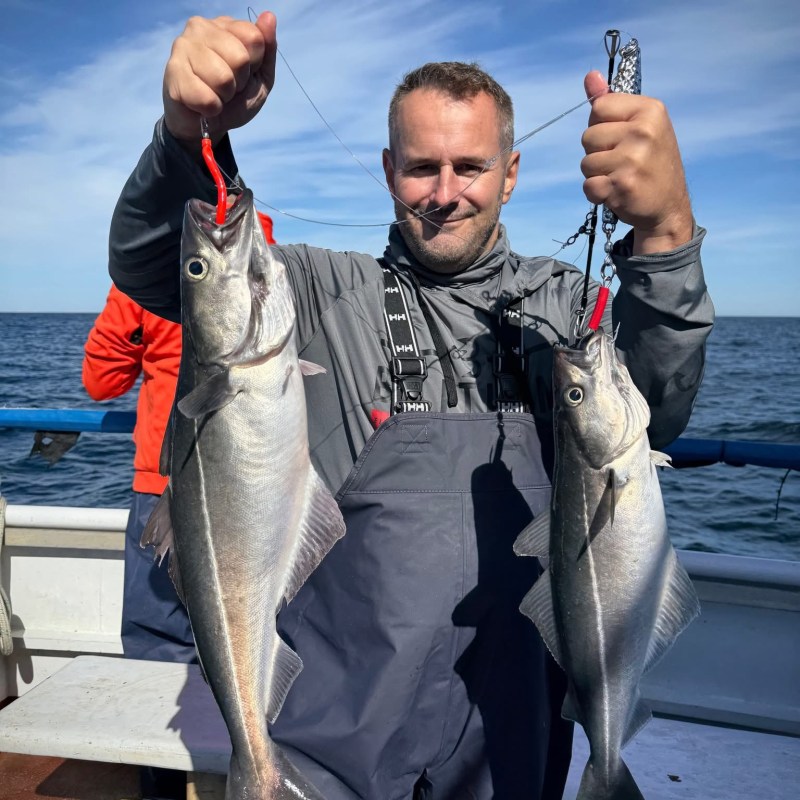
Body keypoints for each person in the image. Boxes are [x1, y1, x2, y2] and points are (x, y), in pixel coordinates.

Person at [108, 11, 714, 800]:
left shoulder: (566, 312)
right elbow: (161, 266)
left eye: (471, 165)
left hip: (510, 742)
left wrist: (665, 238)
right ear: (390, 168)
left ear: (512, 171)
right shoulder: (315, 292)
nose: (447, 193)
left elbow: (656, 411)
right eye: (422, 167)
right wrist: (184, 137)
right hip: (335, 748)